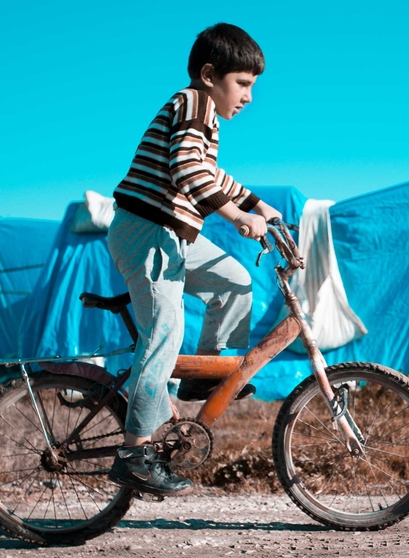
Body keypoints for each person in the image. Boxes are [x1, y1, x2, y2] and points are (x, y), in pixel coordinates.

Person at [107, 23, 284, 495]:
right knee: (164, 332)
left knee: (234, 281)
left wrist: (255, 204)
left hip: (174, 234)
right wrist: (235, 217)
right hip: (145, 229)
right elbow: (187, 169)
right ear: (209, 74)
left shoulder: (205, 118)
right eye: (243, 83)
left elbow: (210, 172)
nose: (248, 96)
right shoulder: (193, 101)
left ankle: (201, 378)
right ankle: (134, 452)